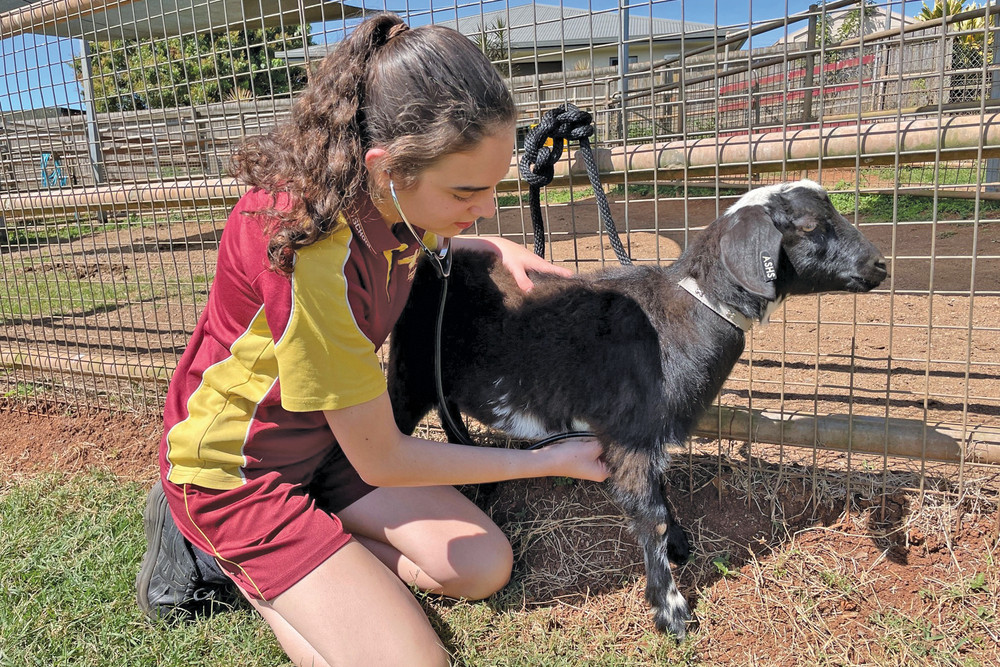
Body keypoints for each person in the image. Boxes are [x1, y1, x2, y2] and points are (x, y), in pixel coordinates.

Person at [134, 13, 608, 667]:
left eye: (496, 183)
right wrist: (547, 457)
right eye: (468, 191)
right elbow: (384, 458)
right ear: (386, 167)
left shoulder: (385, 199)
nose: (488, 204)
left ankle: (320, 562)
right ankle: (237, 559)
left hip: (325, 443)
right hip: (237, 474)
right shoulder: (308, 248)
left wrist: (485, 242)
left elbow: (425, 232)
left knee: (480, 565)